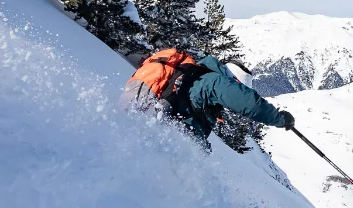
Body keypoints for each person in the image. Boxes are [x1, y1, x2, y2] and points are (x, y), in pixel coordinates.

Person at [123, 49, 295, 147]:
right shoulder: (216, 82)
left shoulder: (198, 77)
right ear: (235, 80)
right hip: (166, 136)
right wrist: (280, 119)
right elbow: (250, 103)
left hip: (158, 127)